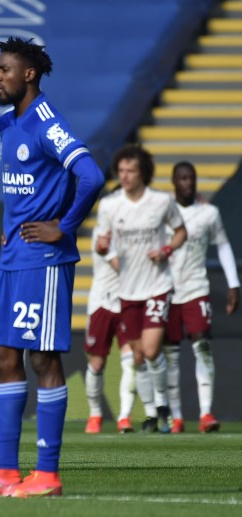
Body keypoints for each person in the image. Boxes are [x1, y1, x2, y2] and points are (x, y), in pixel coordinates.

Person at [0, 37, 104, 498]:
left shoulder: (46, 121)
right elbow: (24, 187)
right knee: (3, 358)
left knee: (43, 359)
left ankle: (47, 475)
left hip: (44, 260)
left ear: (29, 75)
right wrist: (10, 228)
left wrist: (64, 226)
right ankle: (5, 471)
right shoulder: (8, 123)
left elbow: (91, 175)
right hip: (13, 258)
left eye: (4, 70)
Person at [94, 145, 187, 434]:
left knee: (150, 349)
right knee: (136, 356)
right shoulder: (109, 206)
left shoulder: (161, 201)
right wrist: (103, 248)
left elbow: (181, 231)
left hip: (157, 286)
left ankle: (163, 405)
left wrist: (167, 249)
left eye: (131, 171)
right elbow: (102, 242)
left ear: (143, 172)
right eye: (121, 171)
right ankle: (151, 413)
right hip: (127, 290)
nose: (125, 176)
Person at [163, 161, 239, 433]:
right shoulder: (162, 212)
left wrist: (233, 284)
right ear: (174, 182)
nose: (187, 183)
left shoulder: (209, 213)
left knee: (202, 345)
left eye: (191, 178)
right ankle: (176, 417)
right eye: (182, 178)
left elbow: (224, 246)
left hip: (197, 288)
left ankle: (206, 413)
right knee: (170, 354)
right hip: (167, 290)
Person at [83, 222, 136, 434]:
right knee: (97, 364)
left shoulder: (137, 228)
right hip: (102, 303)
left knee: (131, 361)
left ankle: (124, 417)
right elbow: (121, 266)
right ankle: (95, 414)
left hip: (128, 301)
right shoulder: (103, 230)